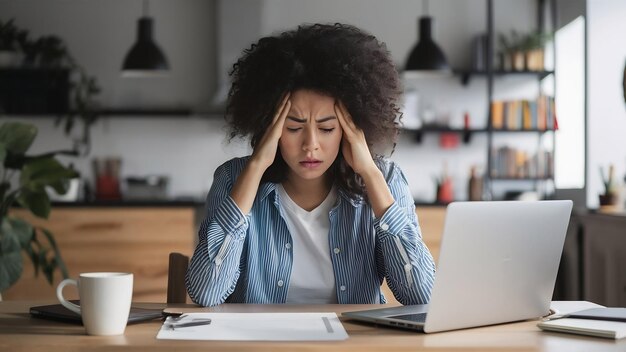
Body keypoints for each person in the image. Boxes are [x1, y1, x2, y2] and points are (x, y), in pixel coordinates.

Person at [186, 23, 435, 307]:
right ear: (270, 128)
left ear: (350, 128)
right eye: (294, 128)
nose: (311, 145)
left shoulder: (386, 179)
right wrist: (256, 166)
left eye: (327, 128)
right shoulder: (233, 179)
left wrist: (370, 174)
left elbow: (421, 296)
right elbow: (206, 293)